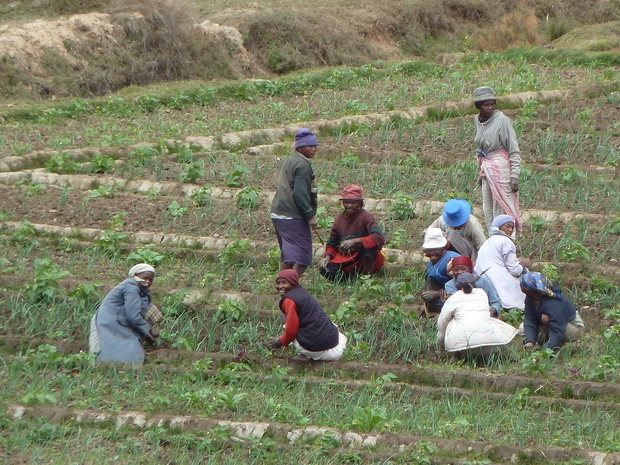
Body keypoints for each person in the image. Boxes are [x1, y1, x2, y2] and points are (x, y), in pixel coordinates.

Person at [267, 269, 347, 361]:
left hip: (315, 349)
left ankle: (309, 354)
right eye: (278, 283)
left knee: (283, 316)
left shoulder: (289, 300)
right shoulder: (303, 294)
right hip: (335, 346)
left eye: (284, 283)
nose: (280, 286)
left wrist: (279, 341)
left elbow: (292, 330)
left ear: (293, 283)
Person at [473, 86, 523, 234]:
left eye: (492, 104)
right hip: (487, 168)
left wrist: (514, 175)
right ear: (478, 107)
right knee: (488, 208)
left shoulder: (503, 121)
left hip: (501, 169)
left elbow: (513, 149)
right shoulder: (477, 120)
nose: (489, 107)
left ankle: (507, 241)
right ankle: (493, 241)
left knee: (503, 208)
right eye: (485, 105)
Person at [437, 273, 519, 361]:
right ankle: (489, 357)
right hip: (491, 344)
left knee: (451, 320)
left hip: (462, 347)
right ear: (474, 285)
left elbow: (442, 322)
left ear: (456, 286)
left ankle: (457, 357)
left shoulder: (453, 298)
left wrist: (442, 345)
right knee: (488, 319)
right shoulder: (482, 293)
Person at [270, 128, 319, 277]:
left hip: (278, 213)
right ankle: (289, 285)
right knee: (302, 257)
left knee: (288, 254)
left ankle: (283, 283)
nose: (314, 149)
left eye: (315, 145)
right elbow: (300, 194)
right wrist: (310, 215)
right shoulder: (303, 165)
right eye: (309, 146)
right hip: (292, 216)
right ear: (300, 147)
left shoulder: (291, 160)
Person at [89, 264, 159, 364]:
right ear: (135, 275)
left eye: (151, 280)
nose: (148, 281)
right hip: (111, 322)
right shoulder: (131, 287)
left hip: (113, 320)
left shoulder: (133, 287)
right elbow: (133, 316)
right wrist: (149, 329)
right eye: (145, 277)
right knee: (125, 348)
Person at [319, 184, 386, 281]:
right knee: (325, 269)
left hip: (364, 258)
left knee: (369, 249)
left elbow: (379, 237)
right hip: (347, 257)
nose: (349, 205)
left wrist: (357, 241)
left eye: (353, 202)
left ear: (359, 204)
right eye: (347, 202)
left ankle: (368, 279)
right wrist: (328, 256)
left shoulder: (367, 217)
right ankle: (349, 280)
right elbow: (332, 243)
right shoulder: (338, 220)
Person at [474, 215, 531, 311]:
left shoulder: (488, 242)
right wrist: (523, 263)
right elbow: (515, 270)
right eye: (507, 226)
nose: (510, 230)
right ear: (499, 227)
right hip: (498, 279)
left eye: (512, 227)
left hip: (484, 277)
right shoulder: (505, 241)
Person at [520, 271, 585, 352]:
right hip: (556, 325)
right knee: (523, 327)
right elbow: (530, 318)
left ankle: (554, 345)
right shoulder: (531, 298)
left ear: (529, 290)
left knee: (545, 318)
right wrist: (529, 341)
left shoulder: (553, 302)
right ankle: (548, 342)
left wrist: (545, 351)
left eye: (522, 285)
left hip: (573, 328)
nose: (520, 287)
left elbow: (557, 328)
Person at [421, 228, 460, 317]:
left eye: (435, 250)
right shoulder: (431, 263)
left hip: (455, 298)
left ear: (443, 249)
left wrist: (437, 294)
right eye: (429, 250)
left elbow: (461, 287)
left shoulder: (451, 262)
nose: (432, 253)